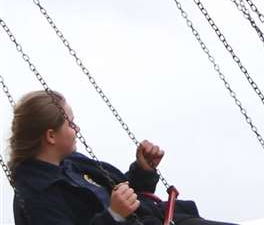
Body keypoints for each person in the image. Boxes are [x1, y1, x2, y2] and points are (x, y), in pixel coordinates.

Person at [8, 90, 235, 225]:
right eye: (70, 123)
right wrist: (113, 216)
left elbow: (122, 194)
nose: (76, 128)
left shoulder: (72, 164)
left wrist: (142, 171)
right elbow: (115, 209)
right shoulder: (35, 196)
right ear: (50, 136)